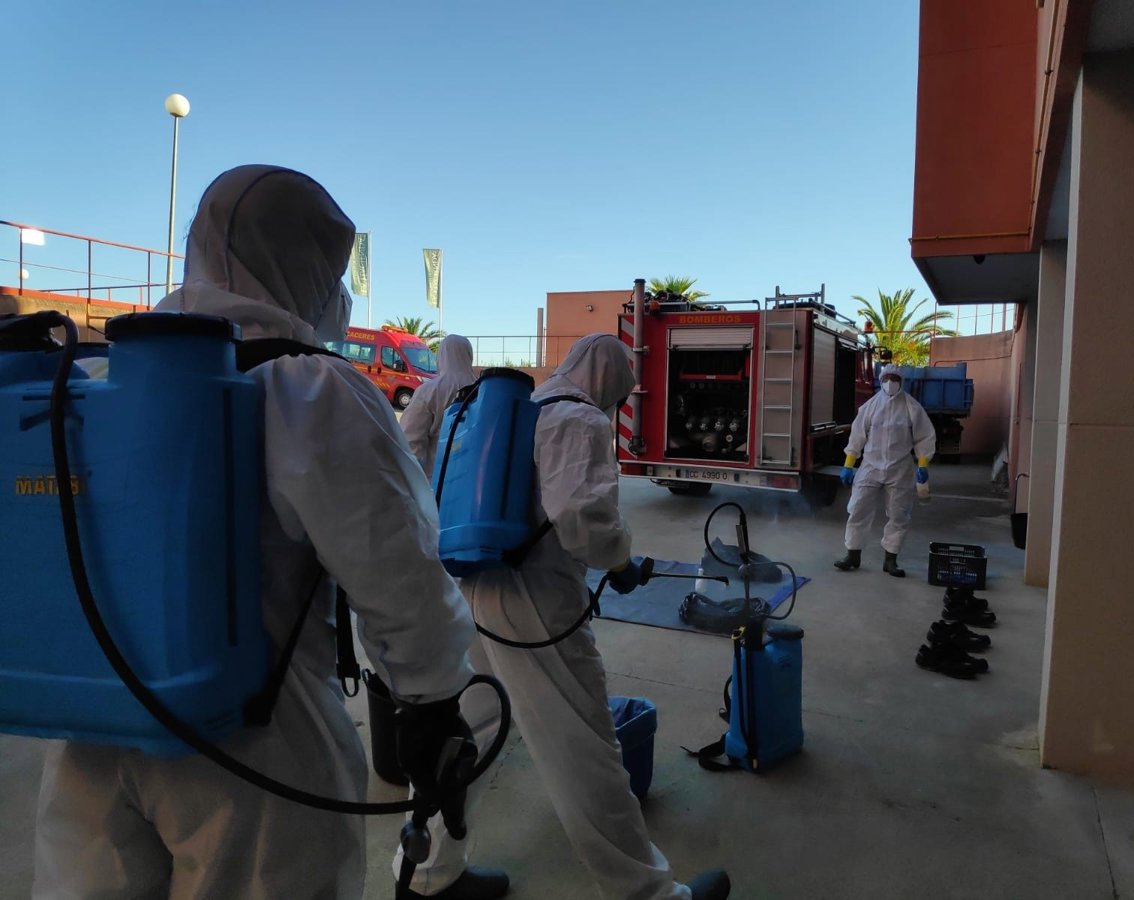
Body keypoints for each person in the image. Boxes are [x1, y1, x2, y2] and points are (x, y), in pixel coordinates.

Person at [32, 165, 498, 900]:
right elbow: (398, 575)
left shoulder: (91, 381)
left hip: (93, 733)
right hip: (257, 747)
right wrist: (434, 700)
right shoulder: (308, 386)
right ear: (304, 267)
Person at [401, 333, 731, 900]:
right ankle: (648, 894)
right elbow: (582, 521)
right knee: (585, 748)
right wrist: (621, 560)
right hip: (536, 604)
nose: (615, 406)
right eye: (618, 395)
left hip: (474, 584)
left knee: (468, 731)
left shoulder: (519, 407)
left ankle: (426, 876)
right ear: (607, 380)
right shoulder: (579, 419)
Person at [835, 363, 937, 577]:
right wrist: (848, 465)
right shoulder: (870, 407)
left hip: (899, 469)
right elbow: (857, 436)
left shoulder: (912, 407)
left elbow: (924, 437)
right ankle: (852, 555)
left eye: (894, 379)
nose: (890, 383)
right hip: (870, 466)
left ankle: (890, 560)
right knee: (858, 509)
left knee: (899, 514)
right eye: (886, 378)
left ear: (901, 382)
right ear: (880, 381)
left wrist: (923, 464)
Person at [401, 334, 476, 480]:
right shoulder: (481, 389)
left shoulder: (429, 391)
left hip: (435, 481)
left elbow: (409, 441)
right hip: (470, 481)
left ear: (441, 356)